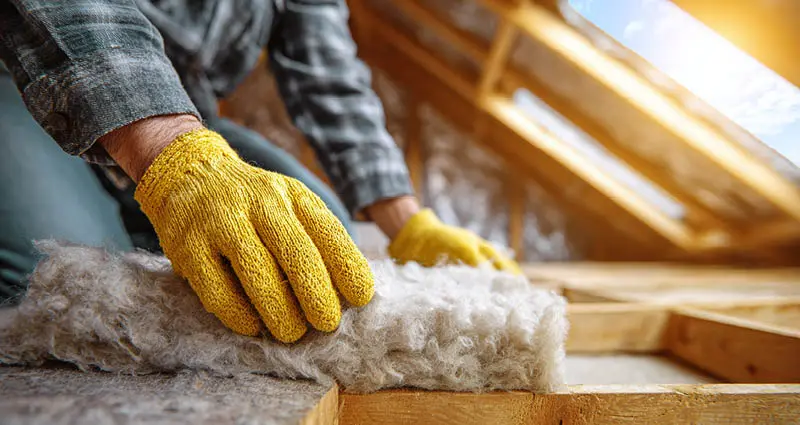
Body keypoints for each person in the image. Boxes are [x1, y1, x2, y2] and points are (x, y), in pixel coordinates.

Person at [0, 0, 520, 343]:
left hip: (188, 115)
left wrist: (407, 223)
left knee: (315, 232)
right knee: (55, 284)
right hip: (27, 89)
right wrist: (182, 163)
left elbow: (331, 82)